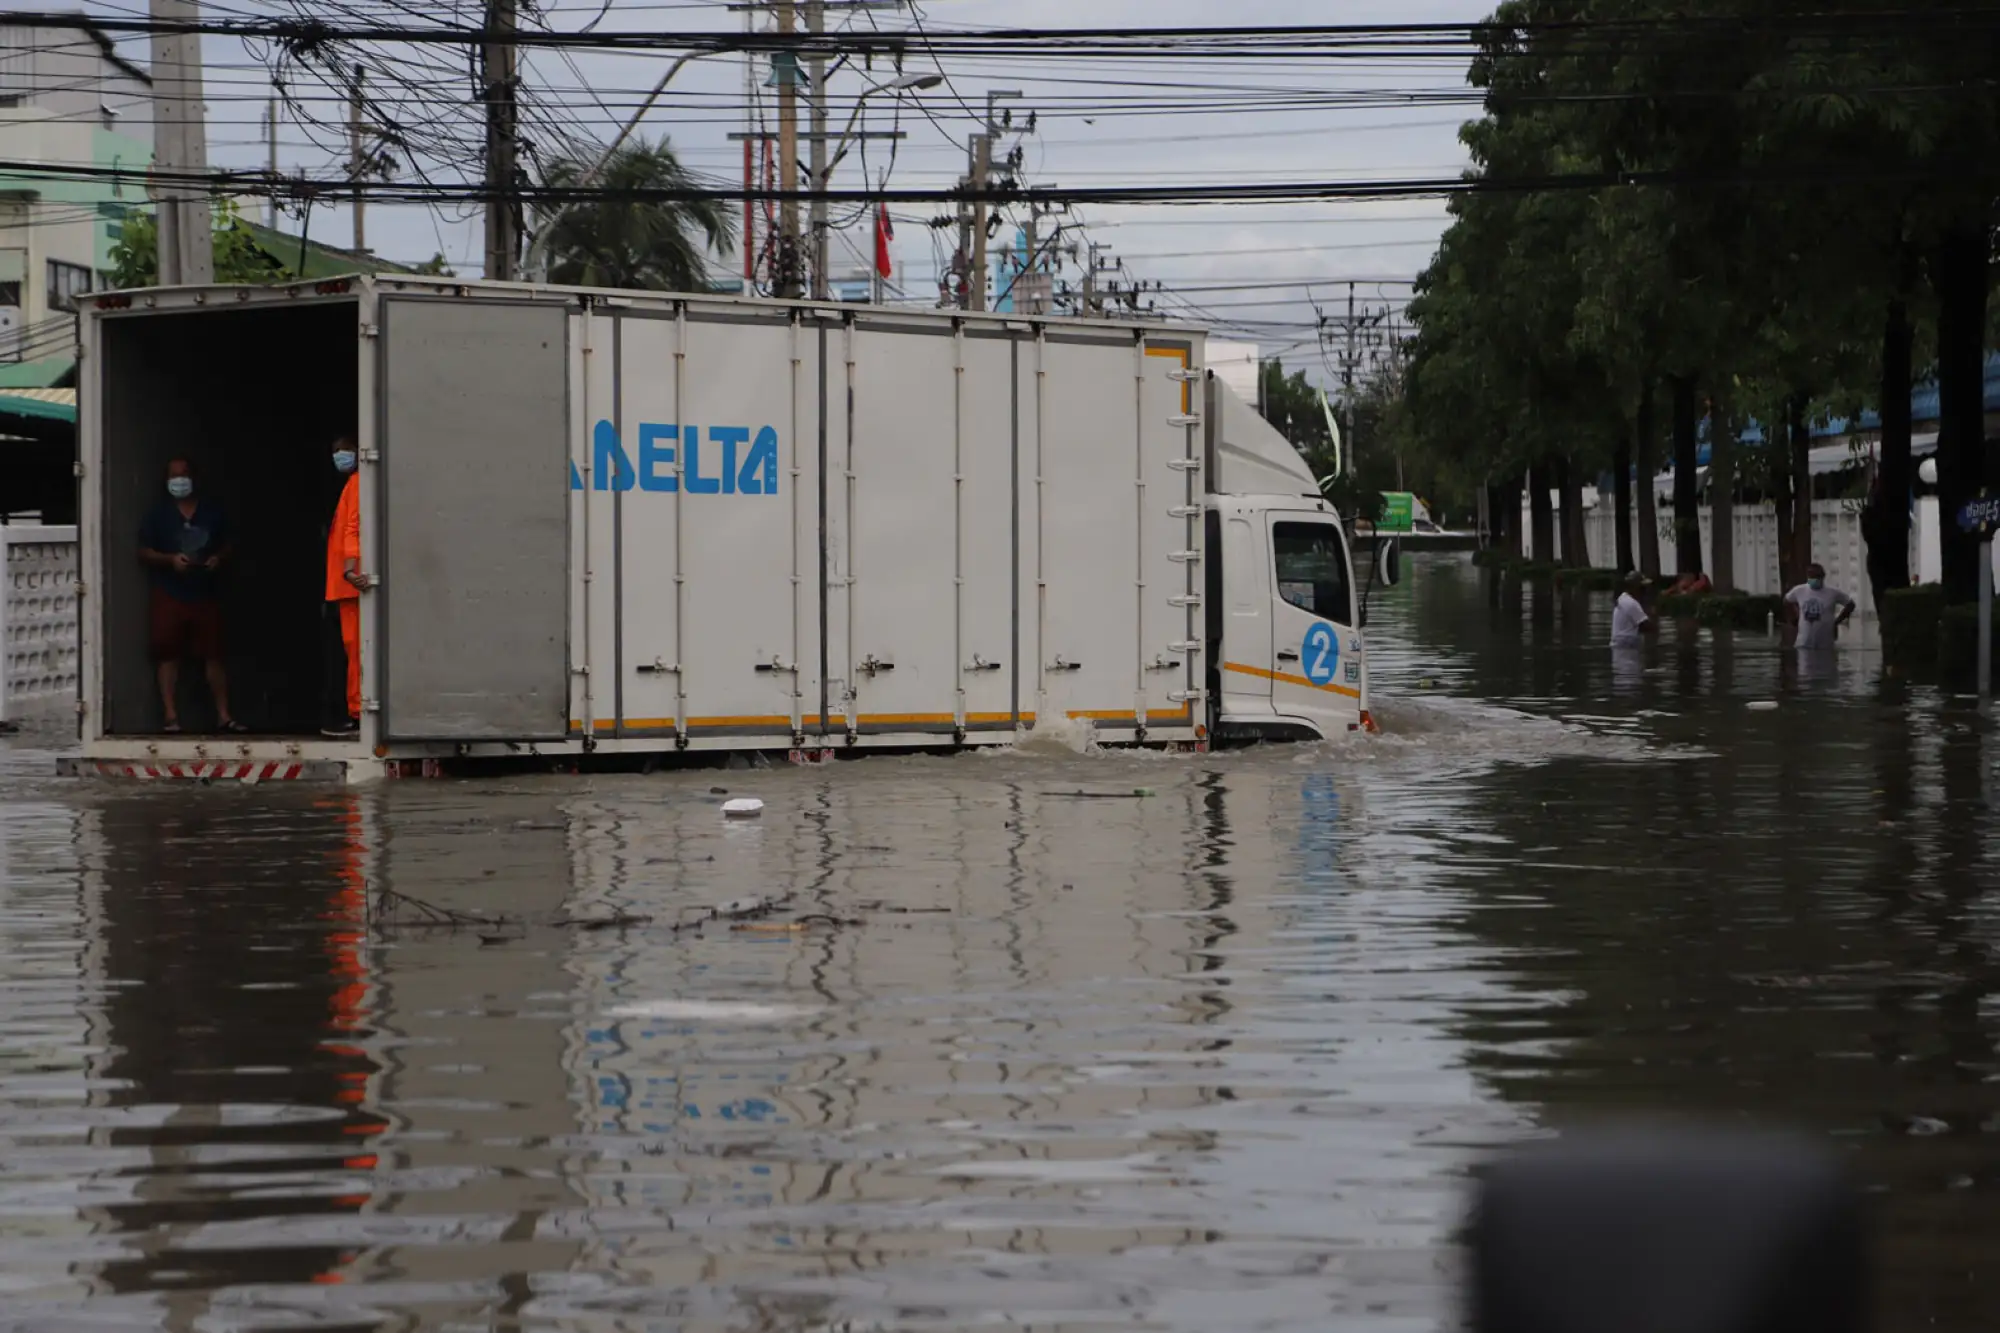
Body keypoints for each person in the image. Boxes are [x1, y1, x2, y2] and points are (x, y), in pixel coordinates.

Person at [138, 458, 243, 733]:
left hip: (205, 593)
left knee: (213, 654)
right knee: (168, 654)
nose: (179, 480)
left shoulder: (211, 512)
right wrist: (170, 560)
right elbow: (143, 550)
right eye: (173, 475)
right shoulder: (158, 515)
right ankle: (171, 716)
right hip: (170, 592)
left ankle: (223, 715)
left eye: (183, 474)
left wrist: (218, 559)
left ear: (194, 477)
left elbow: (229, 544)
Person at [324, 438, 364, 737]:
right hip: (346, 586)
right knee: (354, 649)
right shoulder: (353, 484)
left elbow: (354, 527)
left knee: (357, 650)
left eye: (344, 449)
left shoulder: (358, 483)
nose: (339, 455)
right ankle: (357, 711)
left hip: (351, 585)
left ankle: (359, 714)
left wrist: (351, 568)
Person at [1784, 562, 1855, 651]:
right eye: (1812, 577)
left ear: (1823, 577)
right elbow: (1787, 601)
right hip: (1803, 642)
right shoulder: (1799, 590)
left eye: (1817, 577)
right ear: (1808, 577)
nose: (1815, 579)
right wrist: (1795, 615)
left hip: (1825, 644)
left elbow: (1851, 604)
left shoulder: (1833, 592)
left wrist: (1837, 621)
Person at [1611, 573, 1655, 649]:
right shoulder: (1632, 604)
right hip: (1626, 645)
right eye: (1643, 587)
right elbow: (1646, 626)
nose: (1645, 590)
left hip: (1620, 644)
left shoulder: (1623, 598)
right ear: (1635, 587)